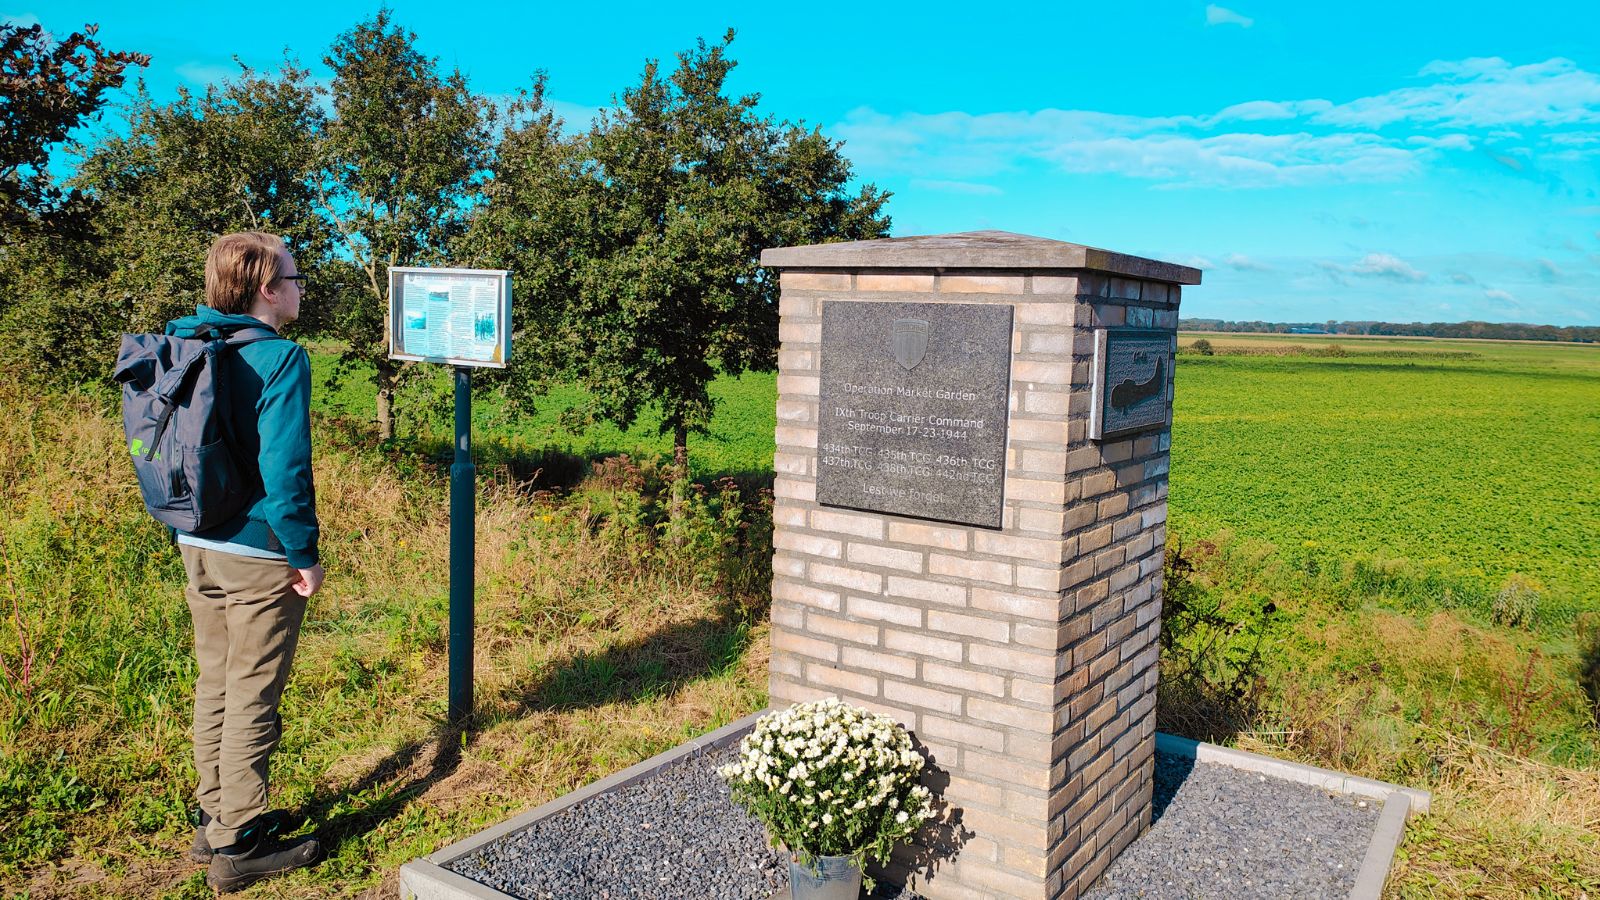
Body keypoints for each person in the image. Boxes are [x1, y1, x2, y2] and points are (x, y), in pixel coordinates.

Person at [165, 231, 323, 892]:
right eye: (295, 277)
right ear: (267, 289)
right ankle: (239, 843)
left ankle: (215, 816)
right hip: (257, 551)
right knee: (253, 691)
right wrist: (303, 552)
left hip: (196, 539)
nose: (300, 287)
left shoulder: (192, 344)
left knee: (217, 682)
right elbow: (286, 470)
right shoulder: (281, 357)